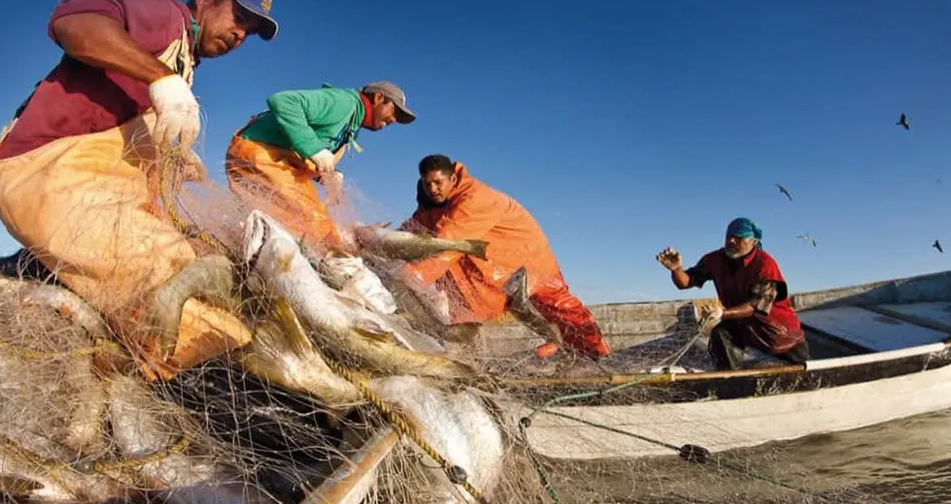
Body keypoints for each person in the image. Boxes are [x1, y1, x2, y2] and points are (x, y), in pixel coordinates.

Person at [0, 0, 279, 382]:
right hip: (52, 171)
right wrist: (160, 78)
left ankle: (37, 268)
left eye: (250, 31)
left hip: (97, 184)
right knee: (189, 307)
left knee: (203, 267)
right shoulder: (164, 15)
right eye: (240, 17)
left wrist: (172, 154)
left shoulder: (183, 64)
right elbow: (73, 23)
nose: (240, 34)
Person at [394, 154, 611, 359]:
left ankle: (595, 354)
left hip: (526, 261)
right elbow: (410, 234)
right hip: (491, 275)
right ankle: (558, 348)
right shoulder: (432, 205)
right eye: (427, 184)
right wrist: (366, 240)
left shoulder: (474, 198)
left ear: (452, 178)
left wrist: (411, 278)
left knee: (558, 307)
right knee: (474, 317)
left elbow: (448, 243)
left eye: (437, 183)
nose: (432, 189)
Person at [225, 81, 416, 251]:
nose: (394, 120)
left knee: (325, 231)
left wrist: (327, 175)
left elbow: (306, 153)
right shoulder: (343, 103)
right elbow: (283, 101)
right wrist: (314, 149)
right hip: (258, 152)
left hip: (283, 164)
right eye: (394, 112)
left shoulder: (352, 126)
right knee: (315, 228)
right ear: (378, 97)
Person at [656, 217, 810, 371]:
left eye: (738, 237)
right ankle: (728, 379)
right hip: (743, 328)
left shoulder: (765, 264)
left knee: (799, 372)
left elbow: (756, 306)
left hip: (779, 335)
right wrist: (676, 269)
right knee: (720, 334)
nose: (731, 241)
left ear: (754, 242)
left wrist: (721, 313)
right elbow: (686, 282)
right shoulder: (715, 260)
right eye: (728, 236)